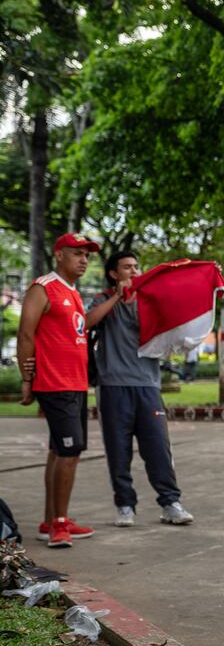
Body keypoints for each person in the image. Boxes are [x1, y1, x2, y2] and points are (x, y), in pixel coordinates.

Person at [85, 252, 194, 528]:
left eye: (136, 267)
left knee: (157, 447)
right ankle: (125, 505)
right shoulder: (103, 299)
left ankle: (170, 503)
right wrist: (117, 297)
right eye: (127, 267)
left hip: (148, 385)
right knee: (118, 450)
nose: (134, 271)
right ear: (113, 274)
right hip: (113, 386)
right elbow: (87, 322)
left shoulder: (150, 302)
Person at [17, 233, 100, 548]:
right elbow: (26, 334)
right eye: (77, 254)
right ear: (59, 255)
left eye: (87, 256)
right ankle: (59, 526)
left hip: (75, 383)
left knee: (60, 450)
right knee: (69, 451)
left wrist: (116, 299)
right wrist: (27, 379)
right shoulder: (43, 287)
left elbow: (82, 327)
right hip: (55, 383)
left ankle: (50, 520)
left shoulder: (72, 292)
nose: (84, 260)